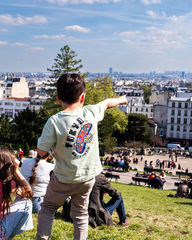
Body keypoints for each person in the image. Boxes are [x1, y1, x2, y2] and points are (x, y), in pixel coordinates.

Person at [36, 73, 127, 240]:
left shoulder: (55, 121)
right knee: (80, 214)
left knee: (48, 208)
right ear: (83, 97)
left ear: (58, 99)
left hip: (63, 178)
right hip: (87, 178)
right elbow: (107, 103)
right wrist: (122, 99)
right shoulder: (90, 112)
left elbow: (41, 152)